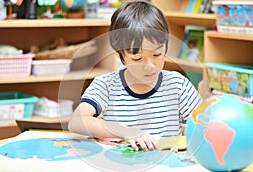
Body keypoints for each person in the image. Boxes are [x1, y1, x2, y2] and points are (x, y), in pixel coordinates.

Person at [68, 0, 202, 152]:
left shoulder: (178, 85)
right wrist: (126, 131)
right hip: (121, 169)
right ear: (119, 55)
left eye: (157, 54)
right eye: (138, 59)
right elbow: (76, 122)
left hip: (166, 169)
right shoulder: (106, 85)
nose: (150, 66)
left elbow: (206, 125)